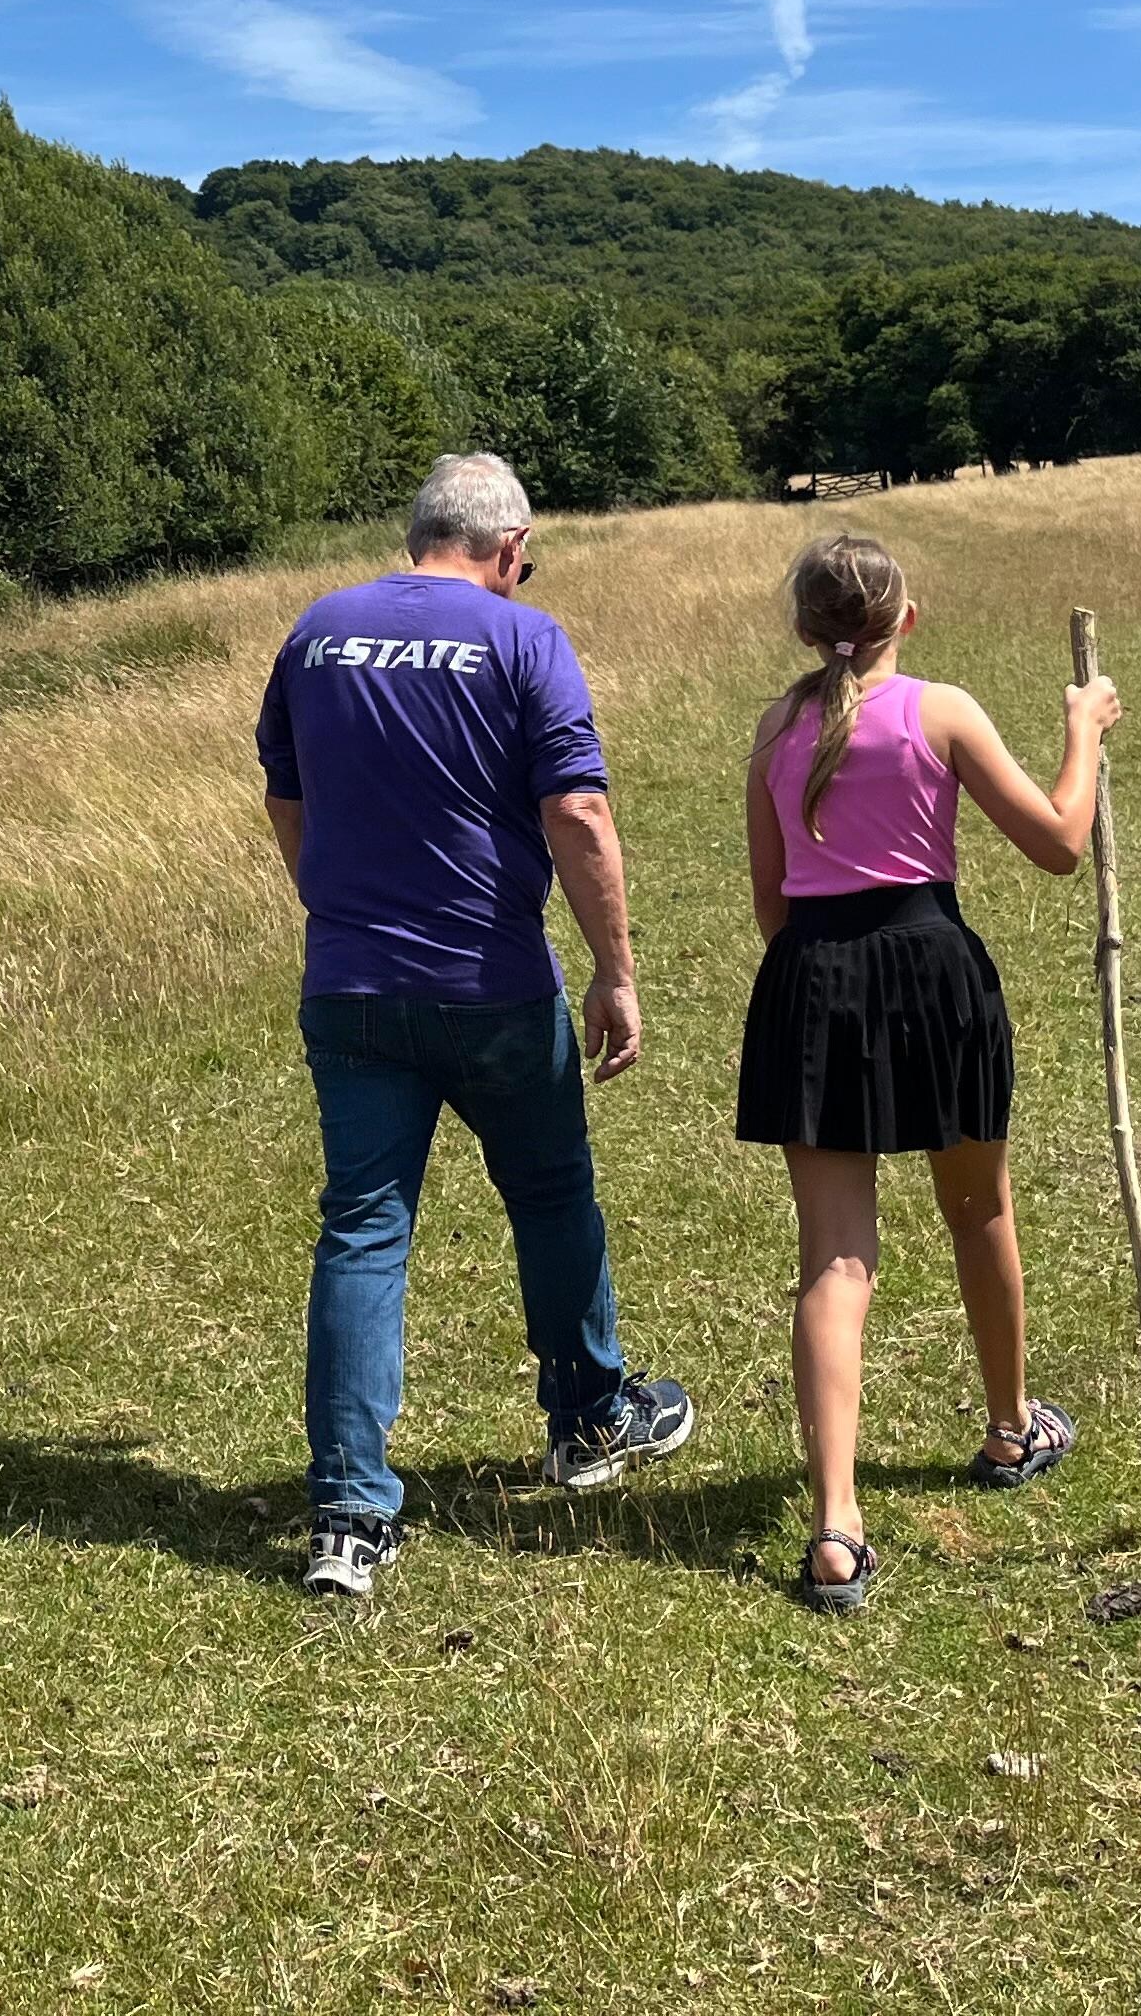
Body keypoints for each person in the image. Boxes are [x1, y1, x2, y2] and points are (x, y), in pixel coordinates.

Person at [254, 452, 697, 1602]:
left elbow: (284, 796)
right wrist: (616, 970)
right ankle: (589, 1421)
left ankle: (349, 1513)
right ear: (507, 548)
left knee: (363, 1227)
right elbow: (579, 809)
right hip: (491, 980)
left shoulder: (316, 633)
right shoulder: (522, 637)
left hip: (349, 985)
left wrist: (333, 907)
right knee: (550, 1195)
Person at [737, 532, 1121, 1613]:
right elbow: (1057, 841)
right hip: (933, 973)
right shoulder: (940, 711)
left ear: (807, 629)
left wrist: (828, 959)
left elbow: (773, 903)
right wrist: (1080, 730)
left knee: (835, 1261)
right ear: (905, 620)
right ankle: (1009, 1431)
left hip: (811, 981)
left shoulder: (775, 726)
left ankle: (835, 1527)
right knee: (977, 1209)